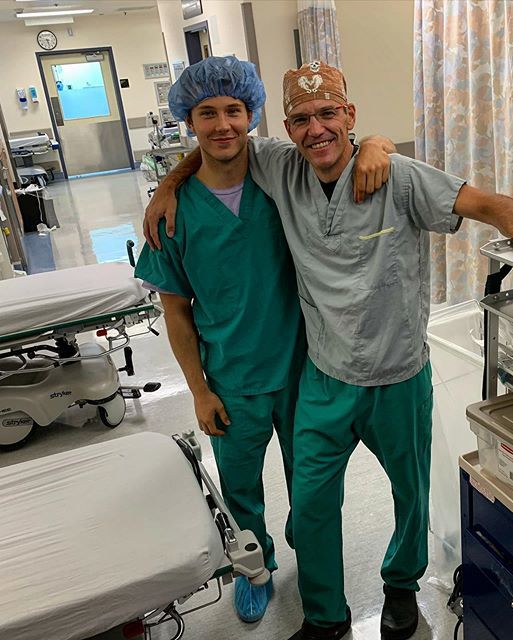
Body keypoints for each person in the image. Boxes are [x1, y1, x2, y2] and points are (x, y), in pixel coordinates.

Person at [144, 61, 513, 640]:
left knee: (409, 492)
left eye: (328, 114)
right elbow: (219, 145)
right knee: (313, 506)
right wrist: (168, 183)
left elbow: (487, 204)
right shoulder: (281, 167)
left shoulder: (398, 177)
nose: (315, 129)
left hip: (398, 376)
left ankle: (400, 587)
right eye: (301, 118)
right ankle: (325, 615)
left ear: (349, 114)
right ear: (287, 128)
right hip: (324, 378)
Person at [134, 56, 393, 626]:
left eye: (234, 110)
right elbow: (175, 313)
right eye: (207, 113)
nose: (222, 124)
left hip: (307, 369)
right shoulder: (172, 216)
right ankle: (256, 566)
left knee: (315, 481)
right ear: (189, 121)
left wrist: (377, 140)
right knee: (241, 487)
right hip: (230, 378)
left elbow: (343, 150)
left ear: (252, 115)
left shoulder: (283, 180)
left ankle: (311, 537)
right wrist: (198, 392)